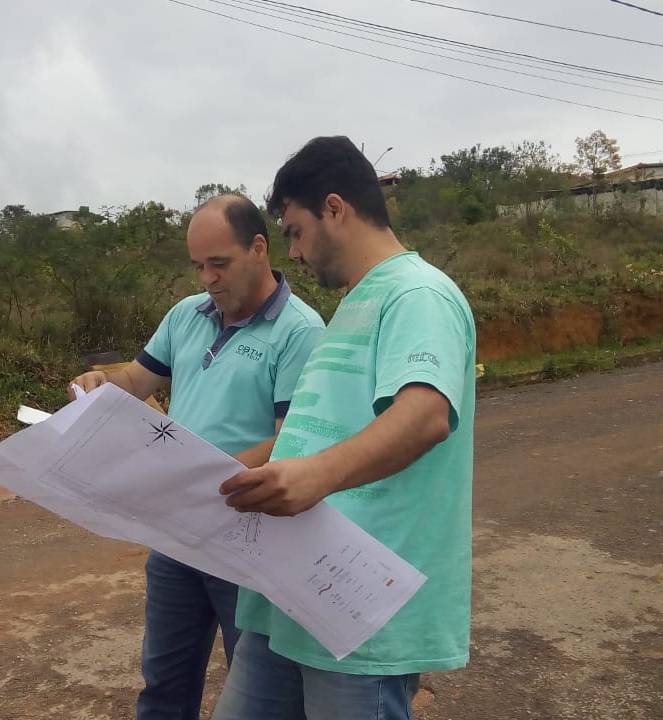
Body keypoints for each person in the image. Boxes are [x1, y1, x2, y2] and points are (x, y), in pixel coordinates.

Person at [212, 136, 477, 720]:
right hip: (293, 594)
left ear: (334, 208)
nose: (293, 251)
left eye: (295, 231)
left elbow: (426, 414)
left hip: (360, 616)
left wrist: (316, 476)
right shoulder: (358, 303)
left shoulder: (417, 293)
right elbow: (312, 434)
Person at [68, 194, 325, 720]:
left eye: (219, 263)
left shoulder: (299, 331)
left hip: (248, 539)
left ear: (259, 248)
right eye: (198, 265)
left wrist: (204, 476)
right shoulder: (186, 315)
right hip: (178, 534)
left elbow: (290, 440)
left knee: (253, 686)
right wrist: (101, 384)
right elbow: (137, 380)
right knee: (163, 683)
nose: (208, 278)